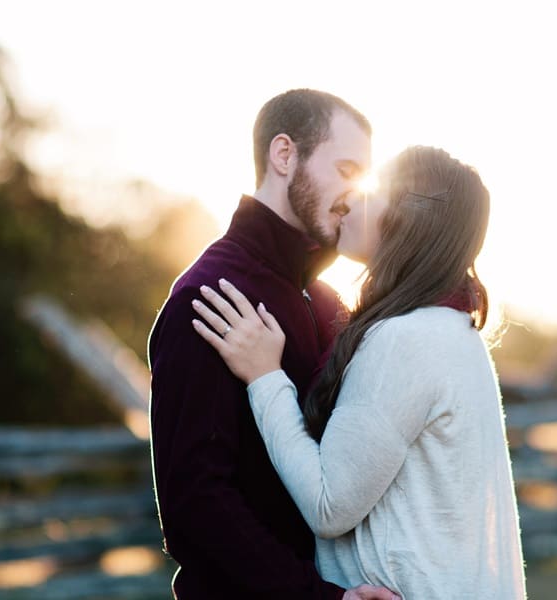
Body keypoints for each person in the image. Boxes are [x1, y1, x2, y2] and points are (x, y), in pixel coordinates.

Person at [191, 146, 527, 599]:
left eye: (373, 189)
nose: (349, 198)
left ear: (411, 218)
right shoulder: (453, 329)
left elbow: (329, 505)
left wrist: (265, 377)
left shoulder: (404, 340)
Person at [148, 88, 398, 599]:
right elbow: (195, 505)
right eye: (347, 170)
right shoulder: (209, 297)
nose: (357, 194)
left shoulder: (328, 303)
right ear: (284, 155)